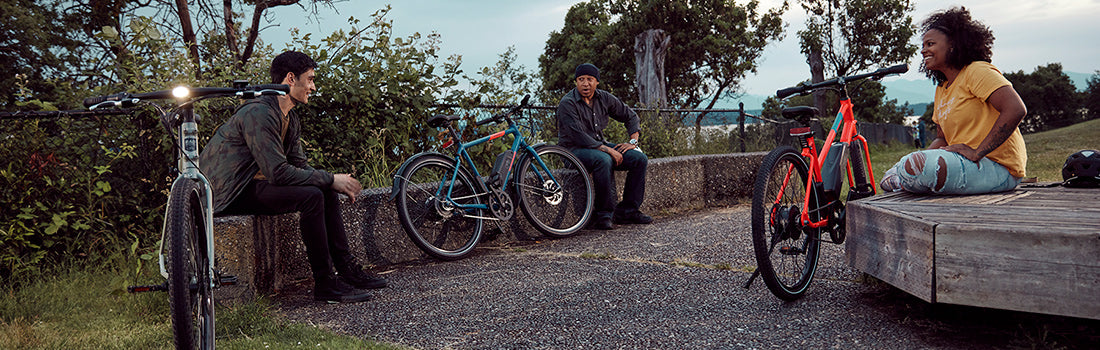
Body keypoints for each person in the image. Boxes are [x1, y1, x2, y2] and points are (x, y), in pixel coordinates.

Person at [200, 51, 386, 303]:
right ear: (290, 79)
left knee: (324, 191)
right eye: (309, 80)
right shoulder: (259, 112)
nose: (313, 86)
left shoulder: (289, 116)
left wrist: (330, 182)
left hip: (253, 185)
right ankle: (325, 284)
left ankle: (347, 270)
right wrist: (331, 177)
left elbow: (298, 165)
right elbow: (278, 173)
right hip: (228, 192)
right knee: (312, 196)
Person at [880, 7, 1027, 195]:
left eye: (930, 44)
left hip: (998, 167)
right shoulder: (942, 89)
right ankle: (910, 178)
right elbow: (942, 138)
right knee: (899, 171)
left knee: (913, 167)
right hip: (962, 163)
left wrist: (977, 152)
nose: (924, 51)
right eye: (923, 46)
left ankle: (909, 179)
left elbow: (1015, 109)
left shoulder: (976, 71)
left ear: (953, 45)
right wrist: (922, 157)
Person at [556, 63, 652, 230]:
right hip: (573, 152)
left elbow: (630, 116)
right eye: (581, 80)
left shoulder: (604, 98)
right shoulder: (567, 103)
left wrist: (633, 142)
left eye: (590, 79)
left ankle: (628, 211)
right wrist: (607, 149)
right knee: (604, 160)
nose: (585, 84)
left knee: (639, 158)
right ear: (576, 82)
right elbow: (578, 135)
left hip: (600, 146)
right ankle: (603, 215)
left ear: (597, 82)